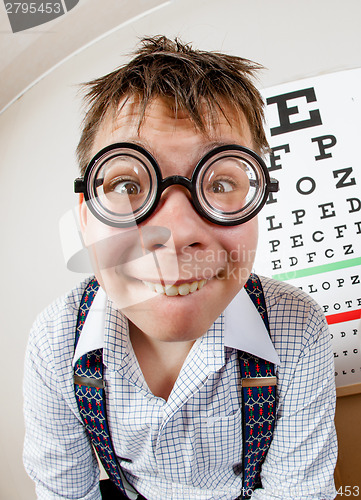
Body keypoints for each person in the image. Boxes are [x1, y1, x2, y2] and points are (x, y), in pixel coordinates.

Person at [23, 36, 337, 500]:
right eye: (128, 183)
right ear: (85, 216)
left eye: (222, 181)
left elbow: (299, 493)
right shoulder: (55, 342)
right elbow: (66, 492)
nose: (177, 229)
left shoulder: (297, 328)